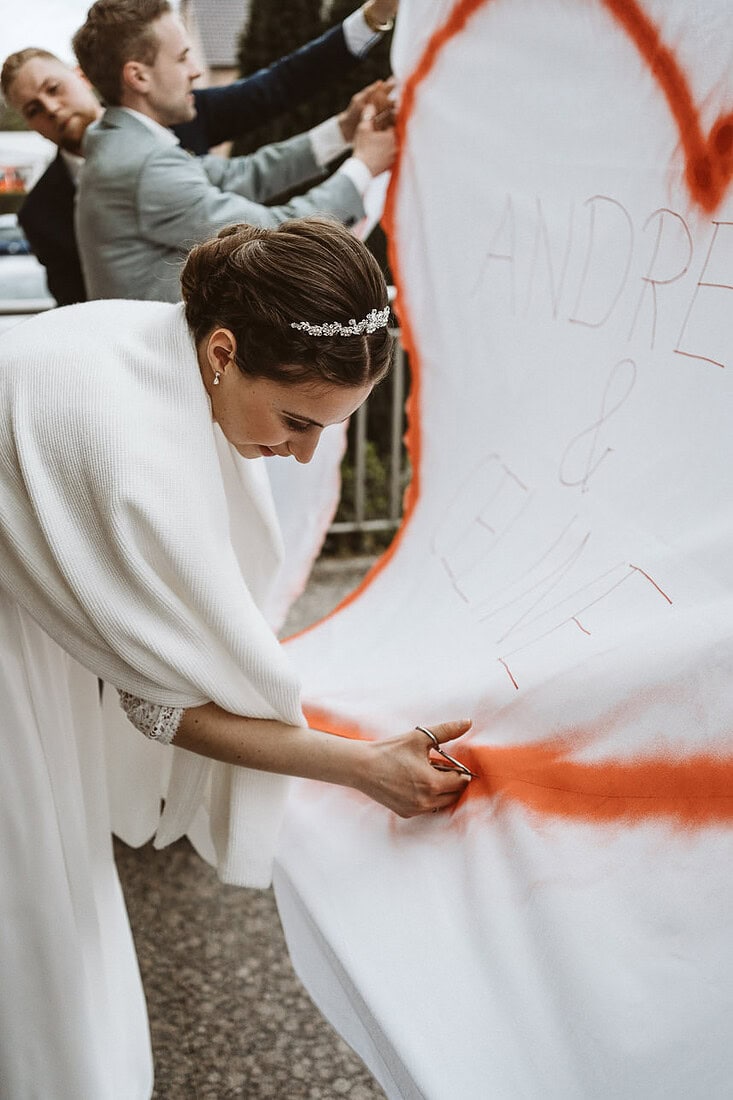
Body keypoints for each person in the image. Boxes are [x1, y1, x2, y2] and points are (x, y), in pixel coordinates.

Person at [0, 215, 472, 1098]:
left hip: (20, 623)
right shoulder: (119, 439)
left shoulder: (150, 342)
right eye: (296, 419)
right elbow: (162, 704)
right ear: (223, 352)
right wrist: (362, 767)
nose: (302, 451)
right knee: (32, 906)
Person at [0, 0, 397, 305]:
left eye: (53, 89)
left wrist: (343, 130)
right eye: (182, 56)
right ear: (138, 75)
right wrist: (364, 165)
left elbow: (247, 173)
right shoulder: (139, 162)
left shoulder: (126, 142)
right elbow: (272, 234)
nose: (194, 69)